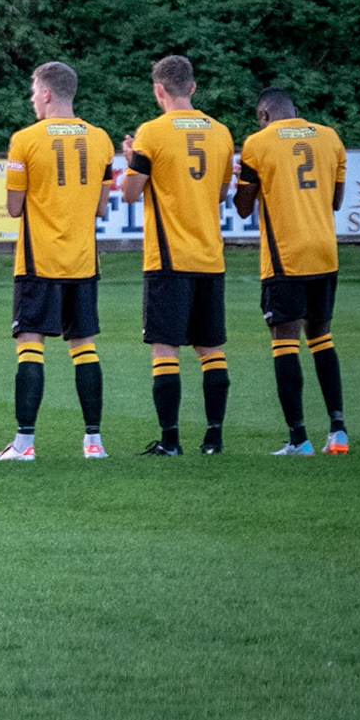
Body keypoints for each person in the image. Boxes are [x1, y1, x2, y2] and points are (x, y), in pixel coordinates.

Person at [0, 62, 117, 461]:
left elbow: (14, 207)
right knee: (85, 347)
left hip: (39, 260)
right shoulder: (100, 140)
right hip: (82, 261)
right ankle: (94, 442)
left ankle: (24, 443)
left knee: (31, 346)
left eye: (33, 92)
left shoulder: (25, 140)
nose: (32, 99)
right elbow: (101, 207)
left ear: (46, 93)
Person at [120, 54, 238, 456]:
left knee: (165, 349)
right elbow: (221, 193)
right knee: (211, 349)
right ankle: (214, 439)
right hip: (210, 256)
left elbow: (131, 193)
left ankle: (170, 441)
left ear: (159, 90)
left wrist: (131, 159)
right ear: (193, 87)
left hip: (169, 258)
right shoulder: (221, 132)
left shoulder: (151, 133)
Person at [234, 87, 349, 455]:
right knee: (321, 337)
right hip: (324, 253)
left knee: (285, 341)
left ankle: (299, 439)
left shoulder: (258, 143)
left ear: (264, 115)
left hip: (286, 255)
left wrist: (242, 179)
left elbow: (243, 207)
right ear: (295, 110)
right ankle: (338, 431)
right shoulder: (330, 138)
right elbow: (336, 201)